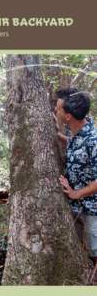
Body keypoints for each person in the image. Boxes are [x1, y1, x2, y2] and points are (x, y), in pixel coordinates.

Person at [55, 88, 97, 263]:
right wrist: (60, 137)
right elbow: (78, 144)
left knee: (95, 250)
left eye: (57, 109)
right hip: (76, 207)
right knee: (82, 244)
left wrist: (76, 193)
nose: (54, 111)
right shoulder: (80, 131)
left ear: (68, 116)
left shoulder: (93, 140)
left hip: (92, 210)